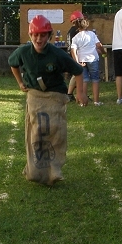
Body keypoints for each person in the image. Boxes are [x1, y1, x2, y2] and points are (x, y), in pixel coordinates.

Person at [9, 15, 87, 186]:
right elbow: (13, 63)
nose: (39, 39)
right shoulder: (23, 52)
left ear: (49, 35)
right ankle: (35, 169)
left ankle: (54, 170)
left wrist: (80, 93)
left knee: (54, 130)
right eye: (35, 35)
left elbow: (78, 71)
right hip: (35, 96)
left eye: (43, 35)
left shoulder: (57, 54)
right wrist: (20, 82)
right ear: (30, 35)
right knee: (36, 132)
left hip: (55, 96)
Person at [70, 18, 106, 106]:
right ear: (87, 25)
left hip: (82, 60)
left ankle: (83, 102)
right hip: (93, 58)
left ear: (78, 26)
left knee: (84, 80)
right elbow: (98, 45)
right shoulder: (92, 34)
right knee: (95, 79)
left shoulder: (75, 37)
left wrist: (77, 62)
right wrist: (103, 52)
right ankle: (96, 101)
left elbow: (73, 50)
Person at [66, 10, 83, 102]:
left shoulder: (71, 31)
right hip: (75, 54)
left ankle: (72, 93)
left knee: (77, 74)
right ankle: (69, 94)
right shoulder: (76, 31)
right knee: (77, 74)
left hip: (72, 54)